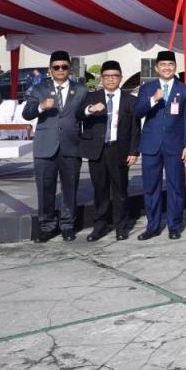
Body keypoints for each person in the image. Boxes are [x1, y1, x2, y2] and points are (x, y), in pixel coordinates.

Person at [23, 50, 88, 242]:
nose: (60, 70)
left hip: (71, 146)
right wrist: (41, 107)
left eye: (64, 66)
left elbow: (85, 114)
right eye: (56, 67)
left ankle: (68, 225)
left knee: (70, 188)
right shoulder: (39, 89)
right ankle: (47, 226)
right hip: (45, 147)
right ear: (50, 69)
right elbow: (27, 114)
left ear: (70, 68)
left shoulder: (82, 90)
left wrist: (91, 111)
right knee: (45, 188)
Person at [134, 50, 186, 240]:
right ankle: (153, 226)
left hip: (175, 145)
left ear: (175, 67)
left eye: (170, 65)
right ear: (156, 68)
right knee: (151, 187)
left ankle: (174, 225)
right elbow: (137, 112)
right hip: (151, 145)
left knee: (176, 186)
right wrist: (154, 99)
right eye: (163, 65)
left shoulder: (184, 89)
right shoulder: (147, 88)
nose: (167, 68)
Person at [77, 61, 140, 242]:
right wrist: (90, 109)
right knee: (100, 189)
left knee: (120, 190)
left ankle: (121, 226)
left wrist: (134, 151)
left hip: (119, 149)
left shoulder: (130, 100)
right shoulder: (91, 97)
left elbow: (136, 128)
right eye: (107, 76)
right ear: (102, 78)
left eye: (114, 76)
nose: (111, 79)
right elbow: (77, 114)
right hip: (97, 150)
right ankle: (100, 225)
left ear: (120, 77)